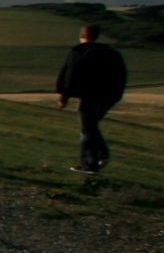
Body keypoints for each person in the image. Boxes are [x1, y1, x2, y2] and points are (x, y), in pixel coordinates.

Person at [55, 22, 129, 174]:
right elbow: (121, 75)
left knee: (87, 127)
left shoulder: (79, 51)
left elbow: (70, 73)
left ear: (82, 36)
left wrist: (64, 96)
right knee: (90, 127)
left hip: (90, 96)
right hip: (108, 96)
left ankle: (93, 161)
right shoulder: (112, 53)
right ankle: (93, 160)